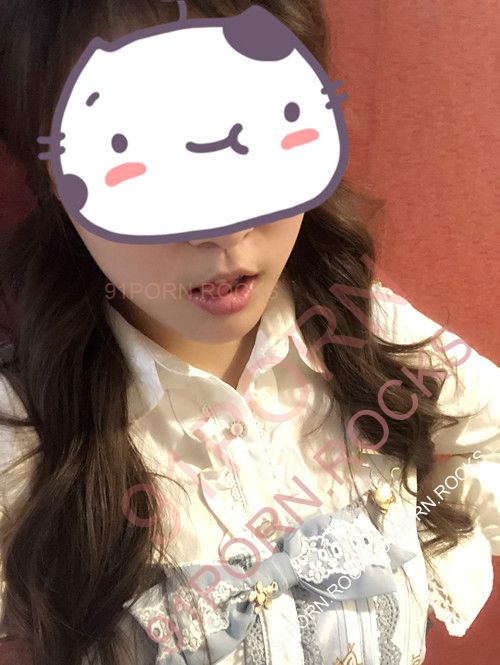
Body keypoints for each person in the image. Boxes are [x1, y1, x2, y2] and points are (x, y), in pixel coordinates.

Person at [0, 2, 498, 665]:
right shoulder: (23, 434)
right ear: (58, 179)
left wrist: (423, 527)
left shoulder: (365, 333)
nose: (226, 228)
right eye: (148, 160)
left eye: (253, 138)